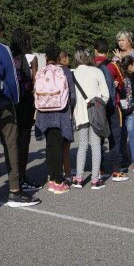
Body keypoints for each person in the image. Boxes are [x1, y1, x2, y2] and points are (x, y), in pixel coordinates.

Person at [0, 15, 41, 207]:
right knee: (11, 145)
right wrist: (15, 102)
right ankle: (14, 191)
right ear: (0, 29)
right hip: (2, 104)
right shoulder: (1, 49)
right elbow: (12, 79)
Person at [35, 46, 76, 194]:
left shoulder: (42, 71)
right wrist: (70, 108)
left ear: (46, 57)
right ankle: (58, 182)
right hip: (60, 113)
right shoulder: (64, 71)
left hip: (44, 113)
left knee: (50, 146)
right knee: (58, 146)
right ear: (59, 57)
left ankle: (51, 177)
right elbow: (72, 96)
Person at [71, 47, 110, 190]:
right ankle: (95, 180)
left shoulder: (73, 74)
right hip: (95, 112)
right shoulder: (97, 71)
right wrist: (98, 102)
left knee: (82, 145)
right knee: (95, 145)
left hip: (80, 113)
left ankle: (79, 178)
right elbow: (106, 95)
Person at [93, 40, 130, 183]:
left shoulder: (90, 65)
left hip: (97, 107)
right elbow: (121, 84)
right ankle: (116, 170)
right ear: (108, 51)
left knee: (98, 139)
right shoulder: (112, 65)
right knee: (115, 138)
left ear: (95, 50)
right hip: (113, 107)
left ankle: (100, 169)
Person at [10, 28, 40, 191]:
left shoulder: (9, 56)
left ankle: (13, 176)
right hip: (26, 103)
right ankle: (22, 176)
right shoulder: (31, 58)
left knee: (11, 142)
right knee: (24, 141)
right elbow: (35, 82)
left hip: (10, 103)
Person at [113, 30, 134, 165]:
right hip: (121, 96)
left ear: (129, 40)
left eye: (123, 40)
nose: (120, 43)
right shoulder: (116, 56)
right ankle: (125, 155)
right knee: (122, 128)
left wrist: (121, 60)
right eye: (119, 40)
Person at [58, 50, 75, 184]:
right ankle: (68, 173)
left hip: (48, 112)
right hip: (64, 111)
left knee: (53, 145)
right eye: (67, 56)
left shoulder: (46, 70)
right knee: (65, 146)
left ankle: (54, 173)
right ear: (63, 58)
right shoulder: (66, 71)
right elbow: (72, 95)